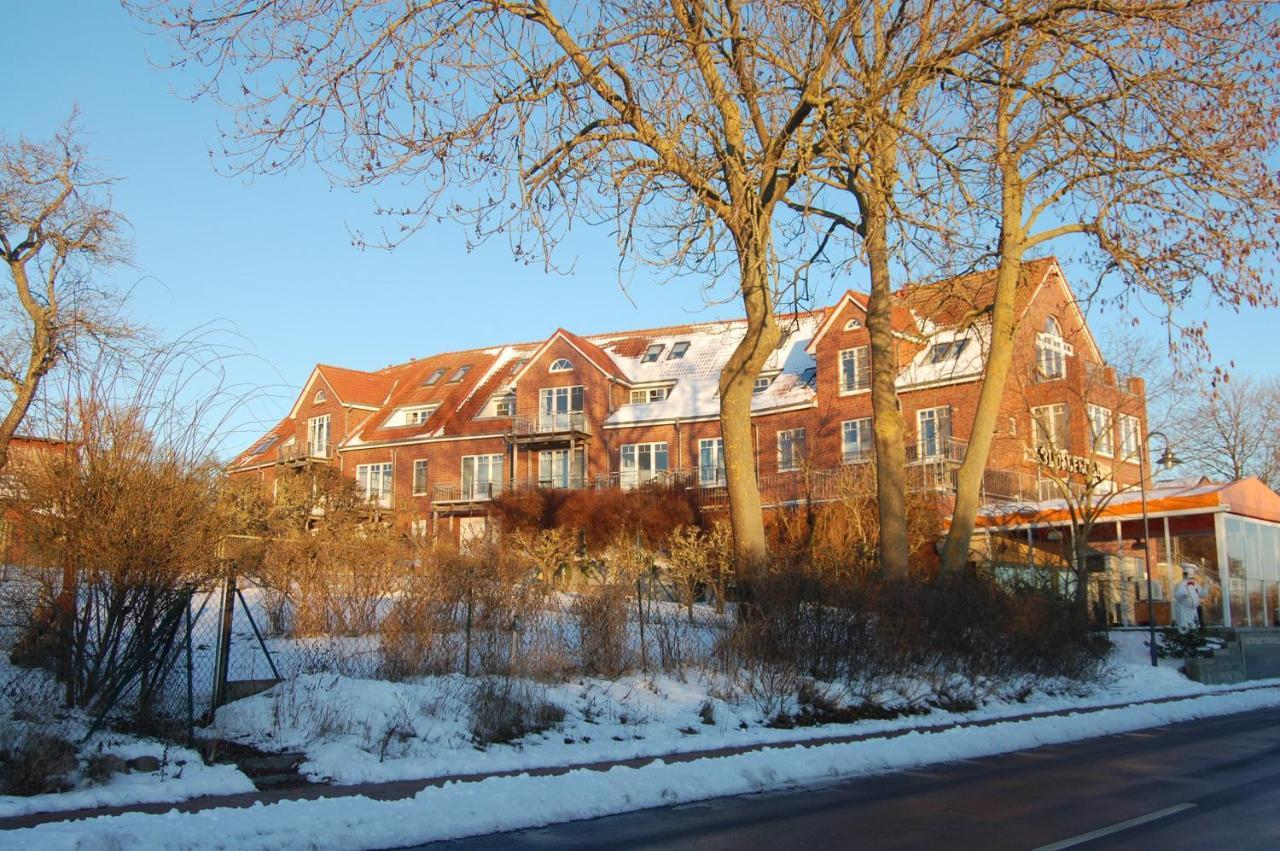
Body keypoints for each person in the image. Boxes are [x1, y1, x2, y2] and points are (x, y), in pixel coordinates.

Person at [1172, 562, 1204, 631]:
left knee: (1194, 625)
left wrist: (1205, 590)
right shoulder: (1181, 584)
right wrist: (1184, 595)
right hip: (1184, 610)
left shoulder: (1195, 584)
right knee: (1185, 626)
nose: (1191, 579)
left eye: (1192, 577)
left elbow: (1201, 592)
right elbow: (1177, 595)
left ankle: (1194, 634)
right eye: (1189, 576)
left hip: (1193, 610)